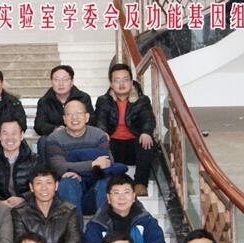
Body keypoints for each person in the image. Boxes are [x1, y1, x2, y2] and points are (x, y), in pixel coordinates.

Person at [44, 98, 116, 229]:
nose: (74, 118)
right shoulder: (54, 139)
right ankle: (75, 234)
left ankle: (104, 231)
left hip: (94, 192)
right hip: (69, 193)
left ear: (87, 117)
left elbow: (106, 163)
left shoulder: (99, 135)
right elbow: (59, 167)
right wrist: (92, 164)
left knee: (105, 182)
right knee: (68, 181)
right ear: (64, 119)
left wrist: (76, 169)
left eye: (78, 113)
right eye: (70, 114)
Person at [82, 173, 168, 243]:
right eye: (116, 193)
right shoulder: (97, 223)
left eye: (126, 192)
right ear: (108, 198)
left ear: (133, 196)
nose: (121, 197)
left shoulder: (146, 221)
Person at [95, 64, 156, 196]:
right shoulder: (104, 100)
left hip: (133, 146)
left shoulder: (142, 100)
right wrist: (102, 132)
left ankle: (140, 184)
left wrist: (146, 132)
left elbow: (148, 119)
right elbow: (100, 120)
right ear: (111, 84)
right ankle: (109, 184)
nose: (121, 84)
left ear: (131, 82)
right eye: (117, 80)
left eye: (125, 80)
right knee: (99, 141)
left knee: (147, 142)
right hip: (113, 144)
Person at [0, 117, 39, 208]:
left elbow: (40, 186)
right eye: (5, 133)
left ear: (21, 135)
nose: (10, 138)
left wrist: (23, 198)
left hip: (26, 206)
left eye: (14, 133)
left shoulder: (34, 160)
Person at [34, 65, 95, 157]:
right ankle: (45, 167)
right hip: (56, 138)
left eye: (65, 79)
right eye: (56, 80)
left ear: (72, 82)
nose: (61, 84)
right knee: (43, 141)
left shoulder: (83, 98)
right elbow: (39, 125)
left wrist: (73, 129)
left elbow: (91, 121)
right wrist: (54, 129)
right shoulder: (44, 101)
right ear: (51, 82)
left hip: (79, 135)